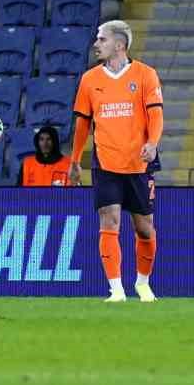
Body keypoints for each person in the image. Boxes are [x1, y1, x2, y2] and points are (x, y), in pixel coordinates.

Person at [69, 19, 163, 303]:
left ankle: (143, 283)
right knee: (109, 220)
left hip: (138, 163)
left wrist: (152, 144)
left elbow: (156, 115)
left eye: (102, 40)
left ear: (119, 45)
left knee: (144, 227)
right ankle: (116, 289)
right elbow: (83, 124)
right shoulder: (89, 80)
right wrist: (75, 160)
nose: (96, 44)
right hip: (105, 162)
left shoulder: (146, 75)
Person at [20, 122, 72, 187]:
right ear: (37, 142)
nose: (45, 143)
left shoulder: (68, 164)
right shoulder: (27, 163)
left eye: (49, 139)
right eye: (41, 139)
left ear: (54, 141)